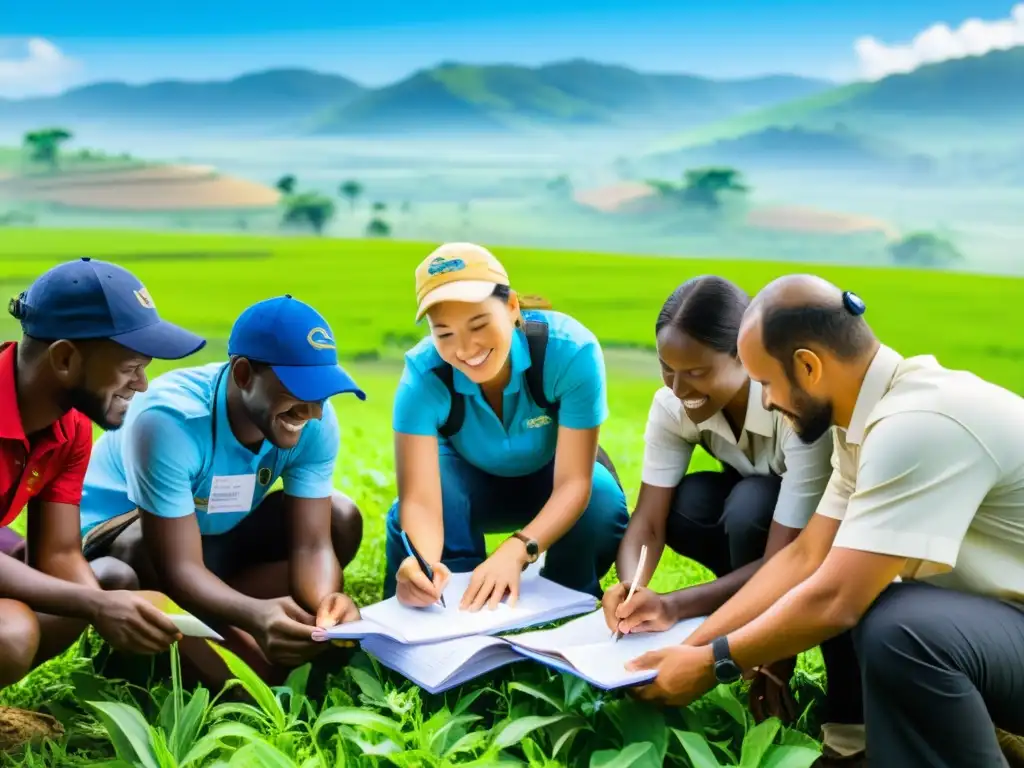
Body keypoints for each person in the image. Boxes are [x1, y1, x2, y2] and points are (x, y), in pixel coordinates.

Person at [622, 275, 1024, 768]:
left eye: (766, 382)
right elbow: (805, 557)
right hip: (1001, 630)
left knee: (899, 624)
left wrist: (714, 664)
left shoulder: (918, 424)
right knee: (893, 610)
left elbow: (835, 598)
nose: (765, 401)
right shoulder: (865, 424)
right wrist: (687, 647)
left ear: (808, 366)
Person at [78, 295, 367, 686]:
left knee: (339, 517)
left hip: (213, 538)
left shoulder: (312, 418)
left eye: (321, 393)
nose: (313, 412)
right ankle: (196, 649)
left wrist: (325, 610)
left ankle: (219, 623)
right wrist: (253, 614)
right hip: (136, 553)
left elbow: (312, 545)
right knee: (142, 546)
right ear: (244, 374)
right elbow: (177, 566)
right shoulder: (170, 420)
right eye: (300, 389)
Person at [600, 276, 834, 724]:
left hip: (807, 541)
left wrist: (677, 606)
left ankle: (759, 643)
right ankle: (741, 622)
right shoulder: (672, 404)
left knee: (751, 504)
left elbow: (786, 558)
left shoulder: (792, 410)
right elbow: (649, 521)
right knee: (689, 501)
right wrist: (632, 591)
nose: (678, 386)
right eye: (667, 367)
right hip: (749, 524)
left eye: (697, 372)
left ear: (744, 358)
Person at [383, 242, 629, 612]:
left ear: (512, 307)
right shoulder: (422, 375)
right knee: (434, 496)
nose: (465, 348)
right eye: (444, 333)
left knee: (602, 497)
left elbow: (574, 482)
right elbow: (420, 499)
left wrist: (519, 549)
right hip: (465, 486)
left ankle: (566, 598)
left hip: (552, 479)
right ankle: (453, 589)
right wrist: (422, 563)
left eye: (479, 324)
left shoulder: (569, 351)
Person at [0, 257, 206, 692]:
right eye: (131, 367)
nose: (143, 384)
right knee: (10, 633)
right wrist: (96, 604)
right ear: (65, 358)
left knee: (104, 582)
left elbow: (57, 553)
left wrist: (115, 607)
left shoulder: (70, 428)